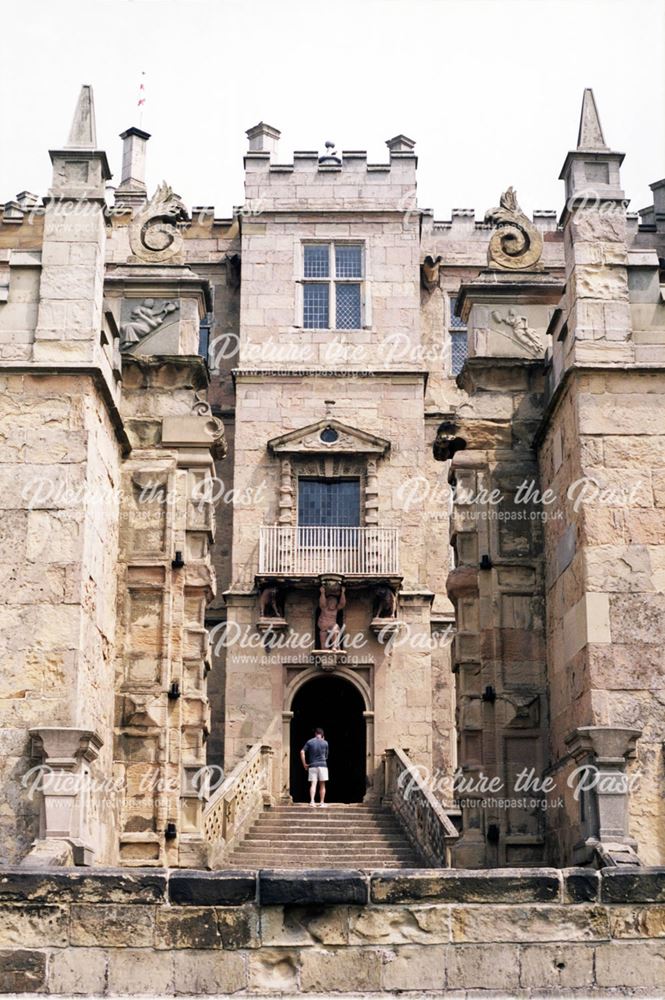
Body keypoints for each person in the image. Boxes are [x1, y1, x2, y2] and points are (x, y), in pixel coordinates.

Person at [300, 727, 329, 806]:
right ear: (322, 735)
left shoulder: (310, 742)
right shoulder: (325, 743)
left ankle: (312, 801)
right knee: (322, 785)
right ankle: (322, 802)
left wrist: (304, 764)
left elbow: (302, 752)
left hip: (313, 765)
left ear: (315, 733)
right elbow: (326, 756)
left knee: (313, 784)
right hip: (323, 765)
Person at [318, 584, 346, 650]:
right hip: (323, 627)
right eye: (331, 602)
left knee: (335, 629)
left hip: (332, 625)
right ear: (328, 603)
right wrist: (322, 593)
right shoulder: (324, 608)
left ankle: (335, 646)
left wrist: (343, 593)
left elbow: (342, 604)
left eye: (334, 603)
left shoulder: (336, 609)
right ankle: (324, 649)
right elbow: (322, 602)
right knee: (323, 637)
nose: (333, 604)